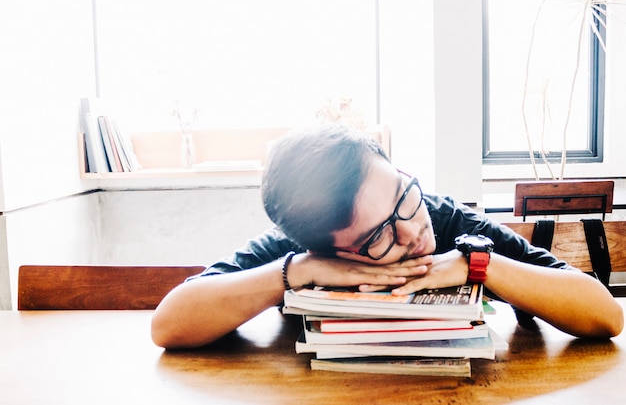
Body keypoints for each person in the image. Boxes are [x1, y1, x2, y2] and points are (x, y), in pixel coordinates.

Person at [151, 126, 623, 349]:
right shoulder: (299, 249)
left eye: (403, 194)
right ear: (325, 247)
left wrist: (478, 265)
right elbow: (169, 325)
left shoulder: (445, 220)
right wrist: (301, 271)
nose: (414, 232)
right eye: (379, 238)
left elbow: (605, 315)